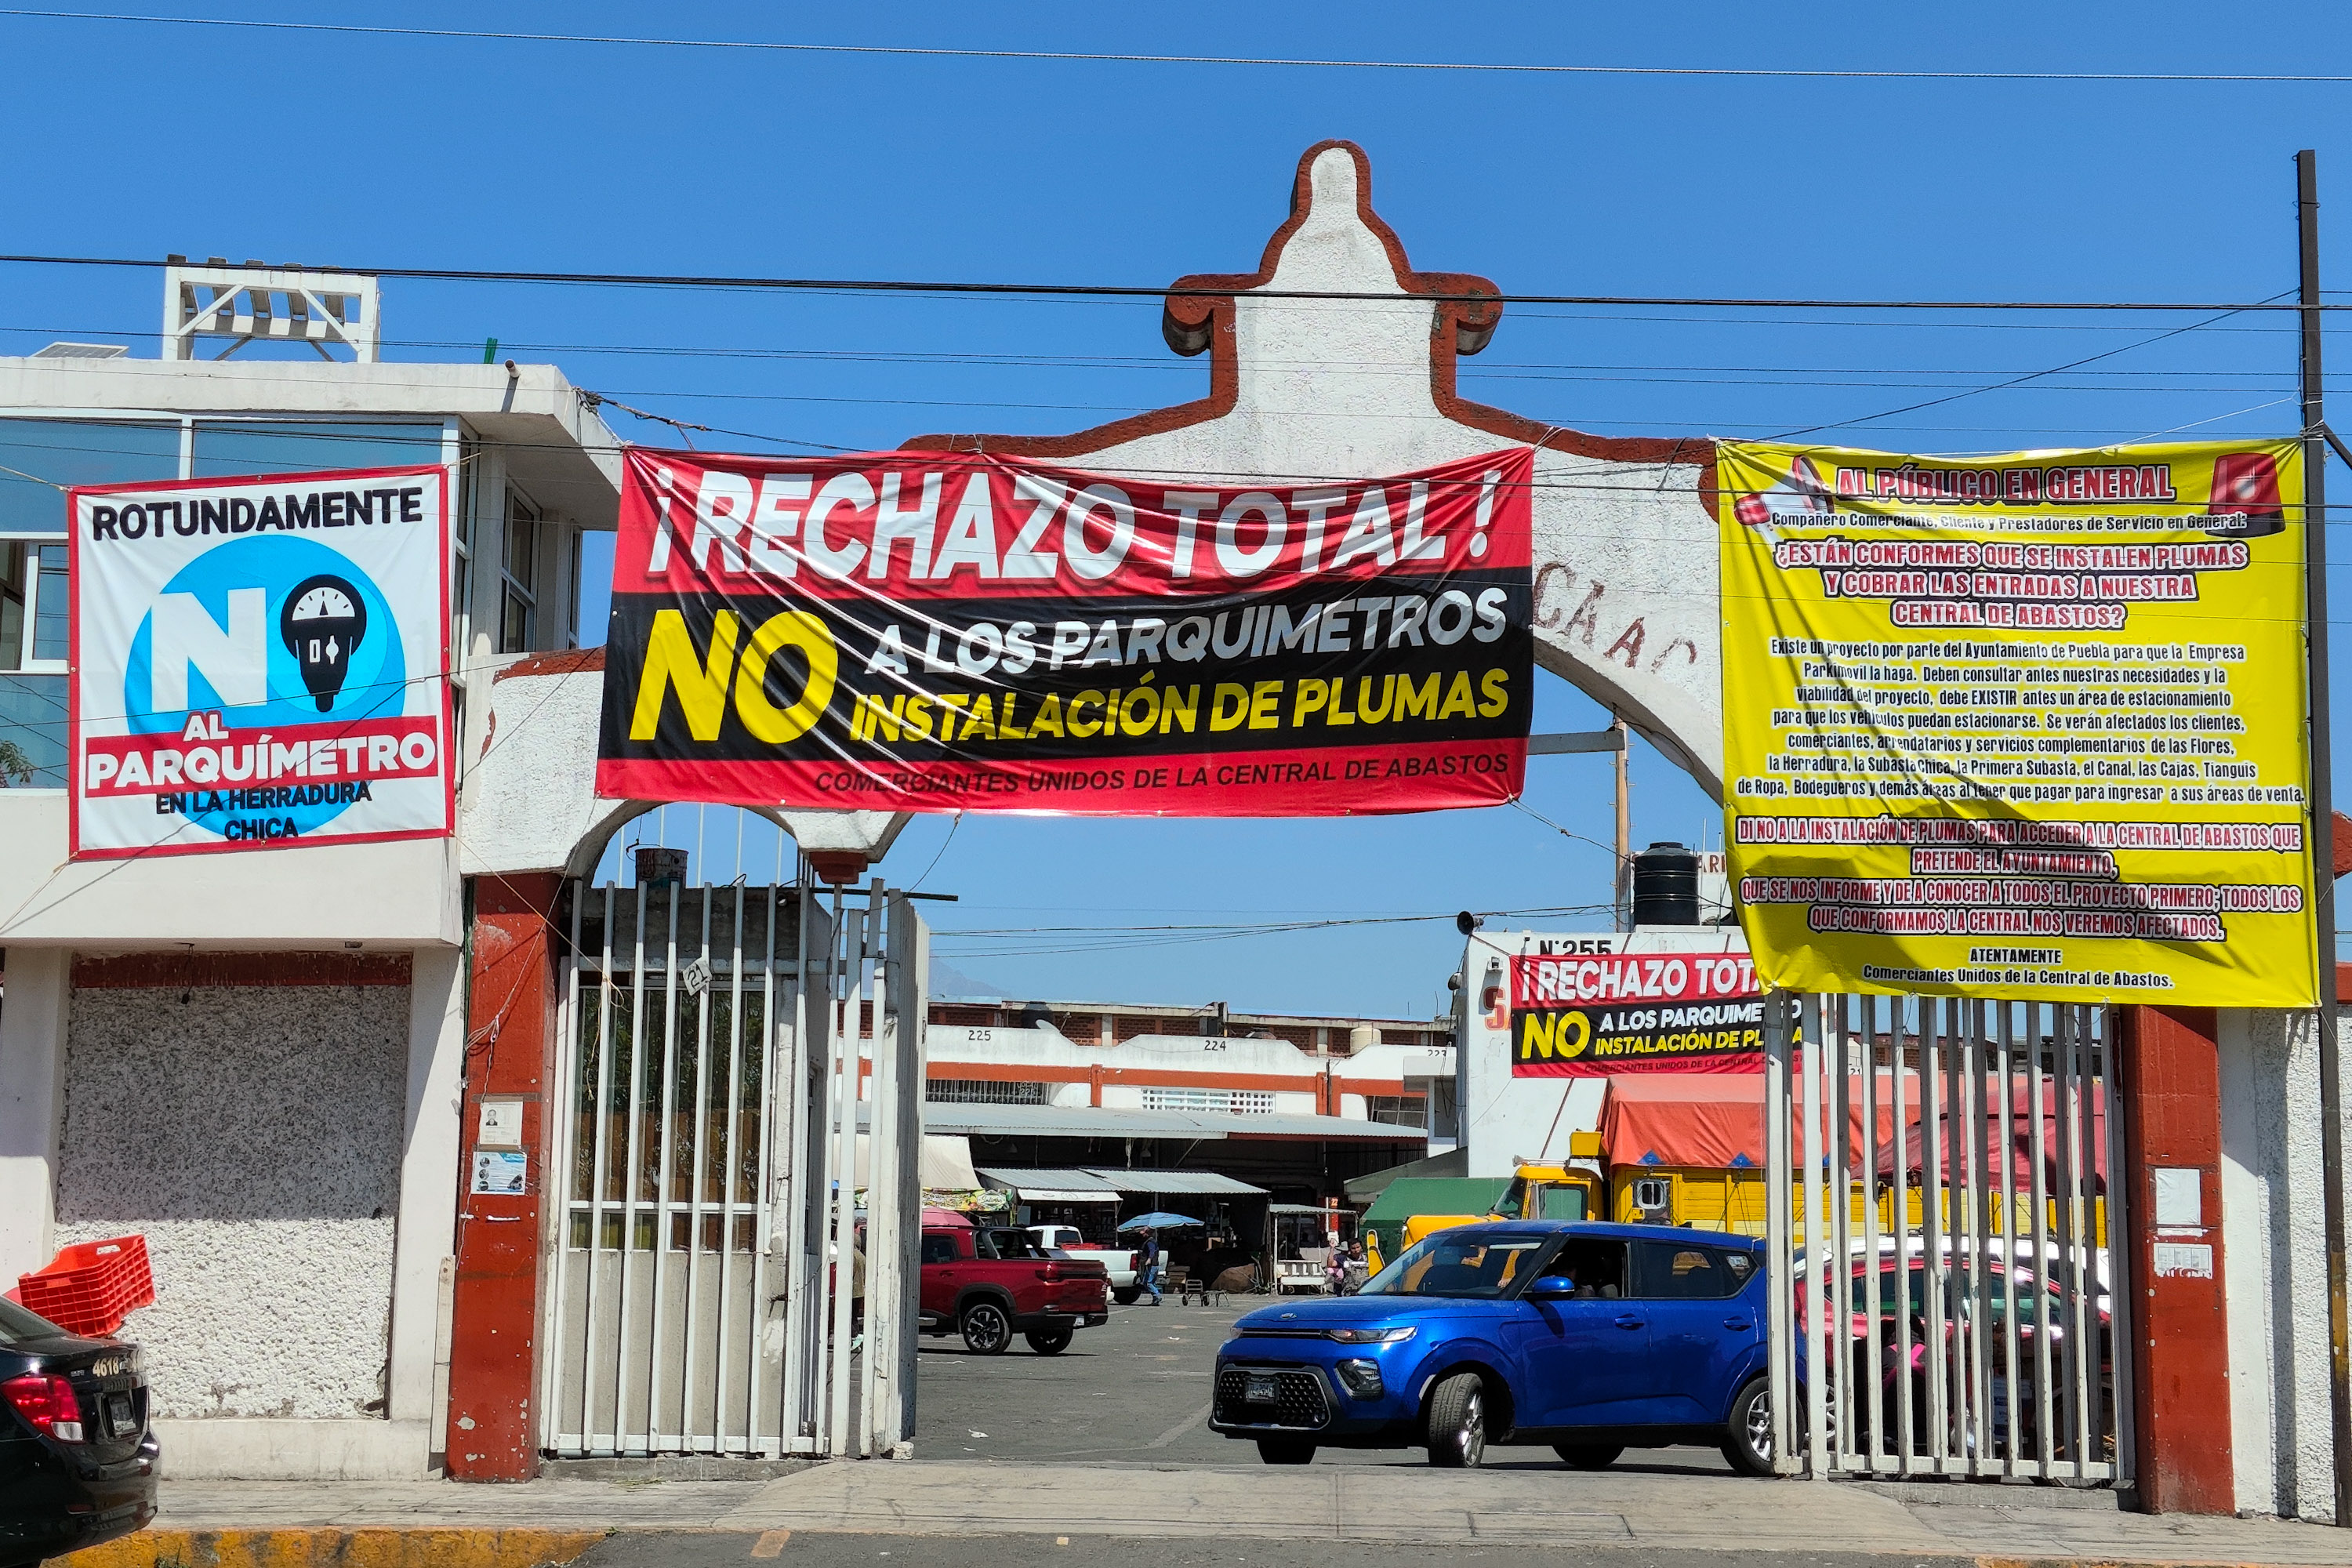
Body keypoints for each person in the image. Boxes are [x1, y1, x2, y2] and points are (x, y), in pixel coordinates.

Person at [1138, 1228, 1163, 1306]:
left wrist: (1149, 1259)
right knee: (1151, 1282)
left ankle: (1157, 1295)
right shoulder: (1151, 1241)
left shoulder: (1150, 1242)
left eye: (1143, 1233)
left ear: (1147, 1233)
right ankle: (1156, 1299)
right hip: (1155, 1265)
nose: (1142, 1235)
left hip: (1152, 1265)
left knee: (1148, 1282)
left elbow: (1152, 1251)